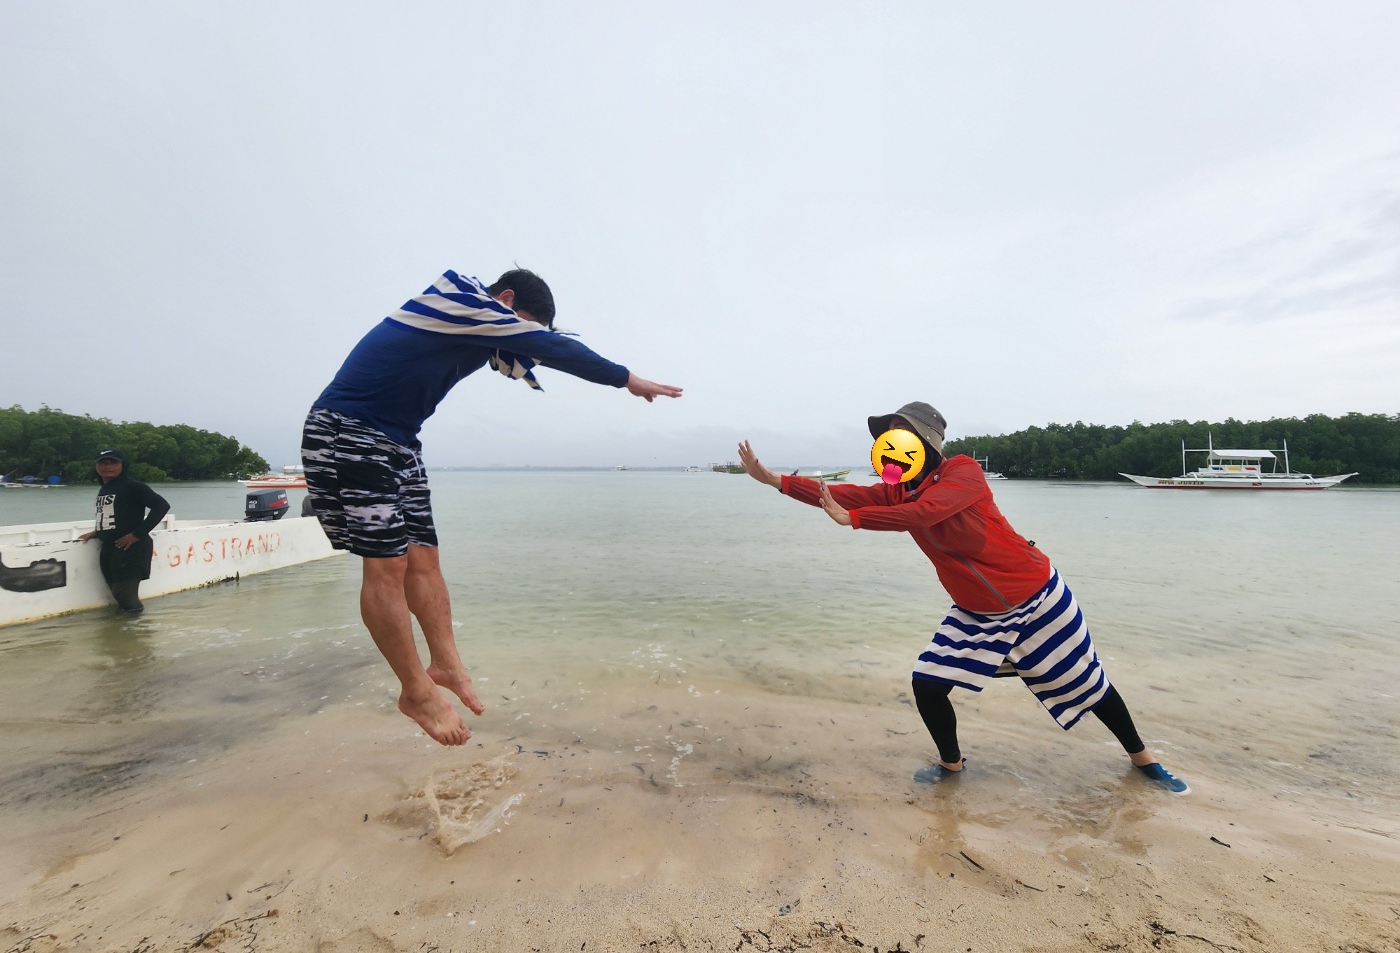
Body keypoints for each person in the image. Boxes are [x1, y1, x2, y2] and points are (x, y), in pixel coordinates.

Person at [303, 267, 682, 747]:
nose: (522, 339)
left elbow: (536, 347)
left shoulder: (483, 327)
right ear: (503, 299)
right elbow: (550, 348)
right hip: (348, 429)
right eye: (521, 323)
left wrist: (540, 337)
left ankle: (446, 664)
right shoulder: (458, 301)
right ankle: (415, 690)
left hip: (400, 442)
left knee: (424, 560)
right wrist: (627, 379)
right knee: (387, 565)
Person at [737, 401, 1189, 794]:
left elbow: (927, 511)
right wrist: (773, 480)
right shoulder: (897, 489)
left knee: (1086, 684)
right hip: (977, 611)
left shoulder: (963, 472)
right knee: (928, 684)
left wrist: (856, 520)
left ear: (927, 443)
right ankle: (952, 764)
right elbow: (841, 492)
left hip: (1037, 594)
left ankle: (1143, 758)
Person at [77, 449, 171, 615]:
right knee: (117, 594)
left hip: (132, 548)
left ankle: (135, 633)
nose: (108, 467)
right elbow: (115, 515)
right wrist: (97, 532)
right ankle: (121, 634)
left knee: (125, 595)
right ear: (96, 466)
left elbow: (161, 506)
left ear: (123, 465)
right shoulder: (105, 489)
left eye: (113, 463)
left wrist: (136, 534)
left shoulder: (133, 486)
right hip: (110, 548)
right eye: (103, 463)